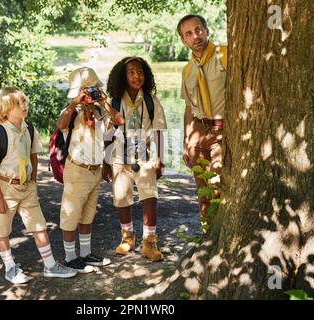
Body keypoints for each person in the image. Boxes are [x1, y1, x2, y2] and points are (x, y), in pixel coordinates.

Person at [0, 87, 77, 284]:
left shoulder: (29, 129)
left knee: (39, 225)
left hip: (27, 187)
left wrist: (33, 179)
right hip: (5, 187)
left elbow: (33, 155)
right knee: (2, 230)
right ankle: (10, 268)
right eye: (18, 104)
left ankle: (50, 265)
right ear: (4, 109)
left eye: (24, 102)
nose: (24, 106)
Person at [56, 67, 124, 273]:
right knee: (71, 214)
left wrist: (103, 102)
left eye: (92, 90)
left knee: (88, 214)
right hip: (77, 169)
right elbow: (61, 125)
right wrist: (75, 103)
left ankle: (85, 254)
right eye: (85, 91)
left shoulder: (99, 112)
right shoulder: (71, 110)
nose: (88, 95)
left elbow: (120, 121)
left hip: (95, 170)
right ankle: (70, 257)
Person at [104, 57, 167, 262]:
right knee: (122, 198)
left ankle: (149, 242)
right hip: (119, 158)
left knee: (149, 198)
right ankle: (127, 237)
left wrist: (160, 159)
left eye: (140, 72)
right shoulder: (114, 102)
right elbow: (106, 135)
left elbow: (158, 132)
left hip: (145, 156)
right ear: (123, 76)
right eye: (131, 72)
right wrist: (105, 162)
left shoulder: (150, 101)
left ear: (145, 75)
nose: (136, 76)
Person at [177, 14, 227, 217]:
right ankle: (207, 237)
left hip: (221, 129)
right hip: (197, 132)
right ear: (183, 40)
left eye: (198, 30)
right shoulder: (187, 70)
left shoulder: (225, 54)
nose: (195, 36)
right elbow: (189, 108)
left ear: (206, 31)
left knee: (218, 187)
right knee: (202, 192)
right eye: (188, 33)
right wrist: (185, 141)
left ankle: (223, 235)